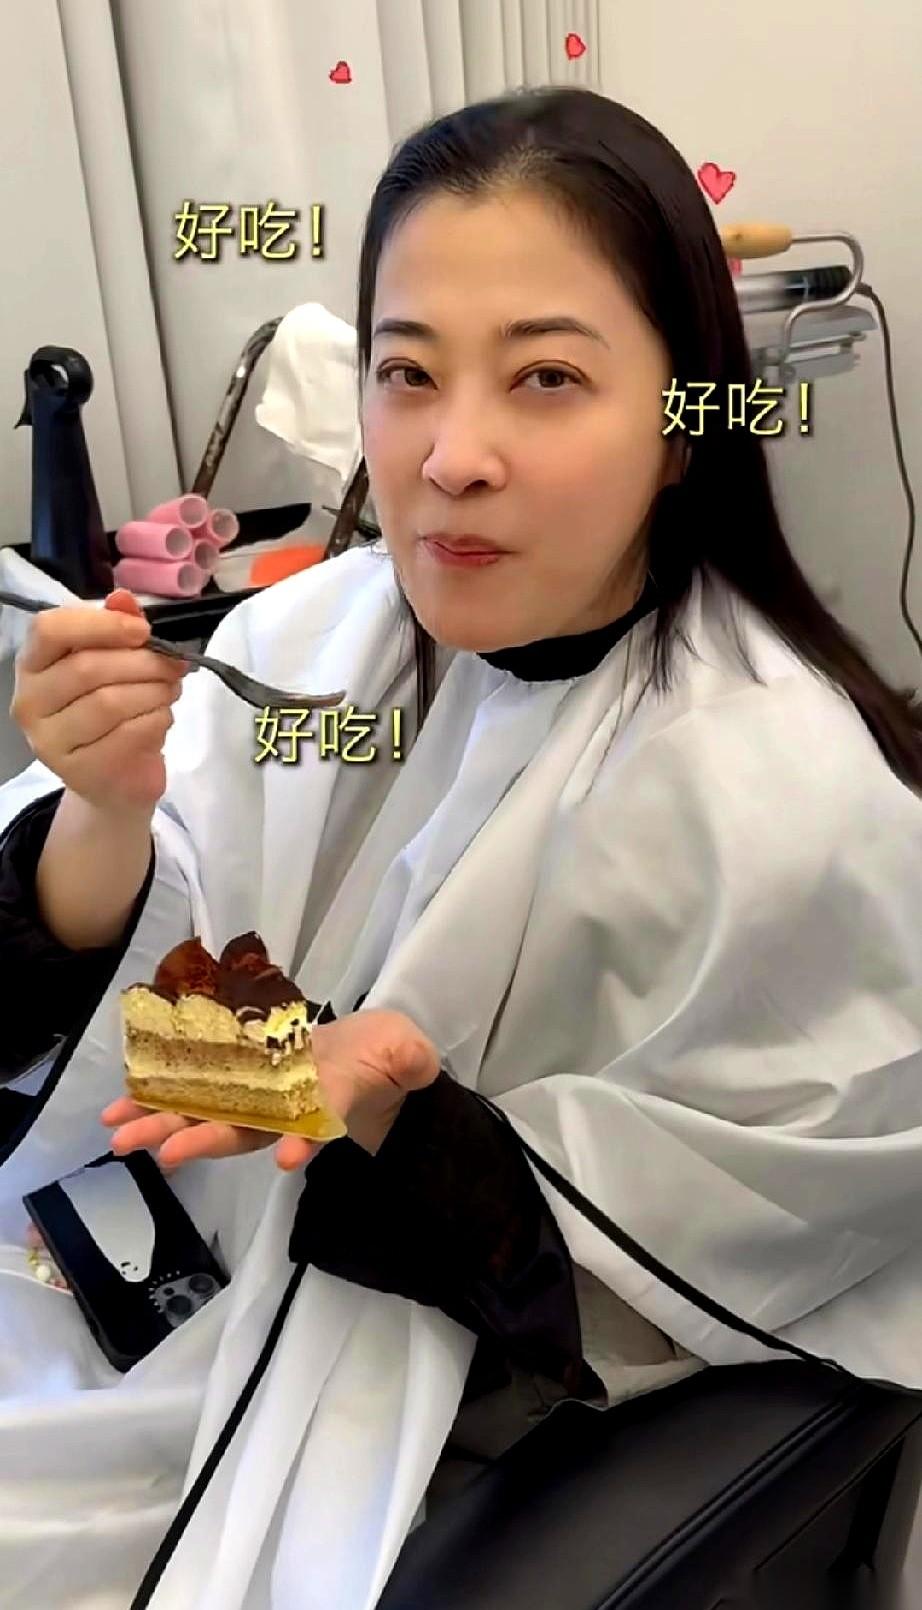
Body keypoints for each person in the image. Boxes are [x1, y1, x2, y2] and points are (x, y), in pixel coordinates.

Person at [2, 83, 922, 1610]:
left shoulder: (774, 787)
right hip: (154, 1271)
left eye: (546, 377)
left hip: (410, 1388)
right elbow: (144, 1010)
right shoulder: (300, 643)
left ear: (682, 422)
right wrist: (99, 807)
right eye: (407, 372)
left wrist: (412, 1127)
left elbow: (805, 1194)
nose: (451, 454)